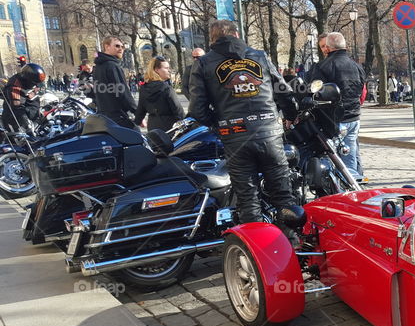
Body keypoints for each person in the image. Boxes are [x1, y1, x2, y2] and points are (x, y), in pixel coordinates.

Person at [188, 19, 299, 229]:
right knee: (283, 195)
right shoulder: (260, 56)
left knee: (248, 199)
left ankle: (257, 243)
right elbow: (284, 92)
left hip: (235, 135)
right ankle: (291, 241)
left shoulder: (203, 63)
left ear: (212, 39)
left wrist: (220, 126)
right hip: (269, 132)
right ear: (237, 35)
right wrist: (290, 115)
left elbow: (197, 110)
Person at [307, 32, 366, 180]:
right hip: (354, 117)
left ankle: (338, 188)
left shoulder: (322, 67)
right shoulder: (357, 66)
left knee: (333, 160)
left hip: (333, 119)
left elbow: (315, 92)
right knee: (350, 156)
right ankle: (353, 185)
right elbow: (361, 90)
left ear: (328, 47)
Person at [93, 36, 137, 128]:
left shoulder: (97, 67)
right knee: (136, 135)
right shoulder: (112, 66)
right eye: (117, 46)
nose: (121, 49)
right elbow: (122, 91)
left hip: (103, 116)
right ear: (107, 46)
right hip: (117, 116)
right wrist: (137, 112)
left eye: (122, 47)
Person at [134, 56, 185, 132]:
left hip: (152, 127)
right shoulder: (166, 88)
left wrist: (136, 122)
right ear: (156, 70)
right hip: (170, 127)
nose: (169, 70)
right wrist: (185, 124)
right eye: (166, 68)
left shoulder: (144, 88)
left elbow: (140, 110)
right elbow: (178, 110)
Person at [1, 63, 45, 133]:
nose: (35, 85)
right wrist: (27, 124)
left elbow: (37, 93)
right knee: (21, 138)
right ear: (28, 78)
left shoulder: (30, 83)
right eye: (34, 82)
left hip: (33, 117)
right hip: (15, 121)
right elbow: (17, 107)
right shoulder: (15, 86)